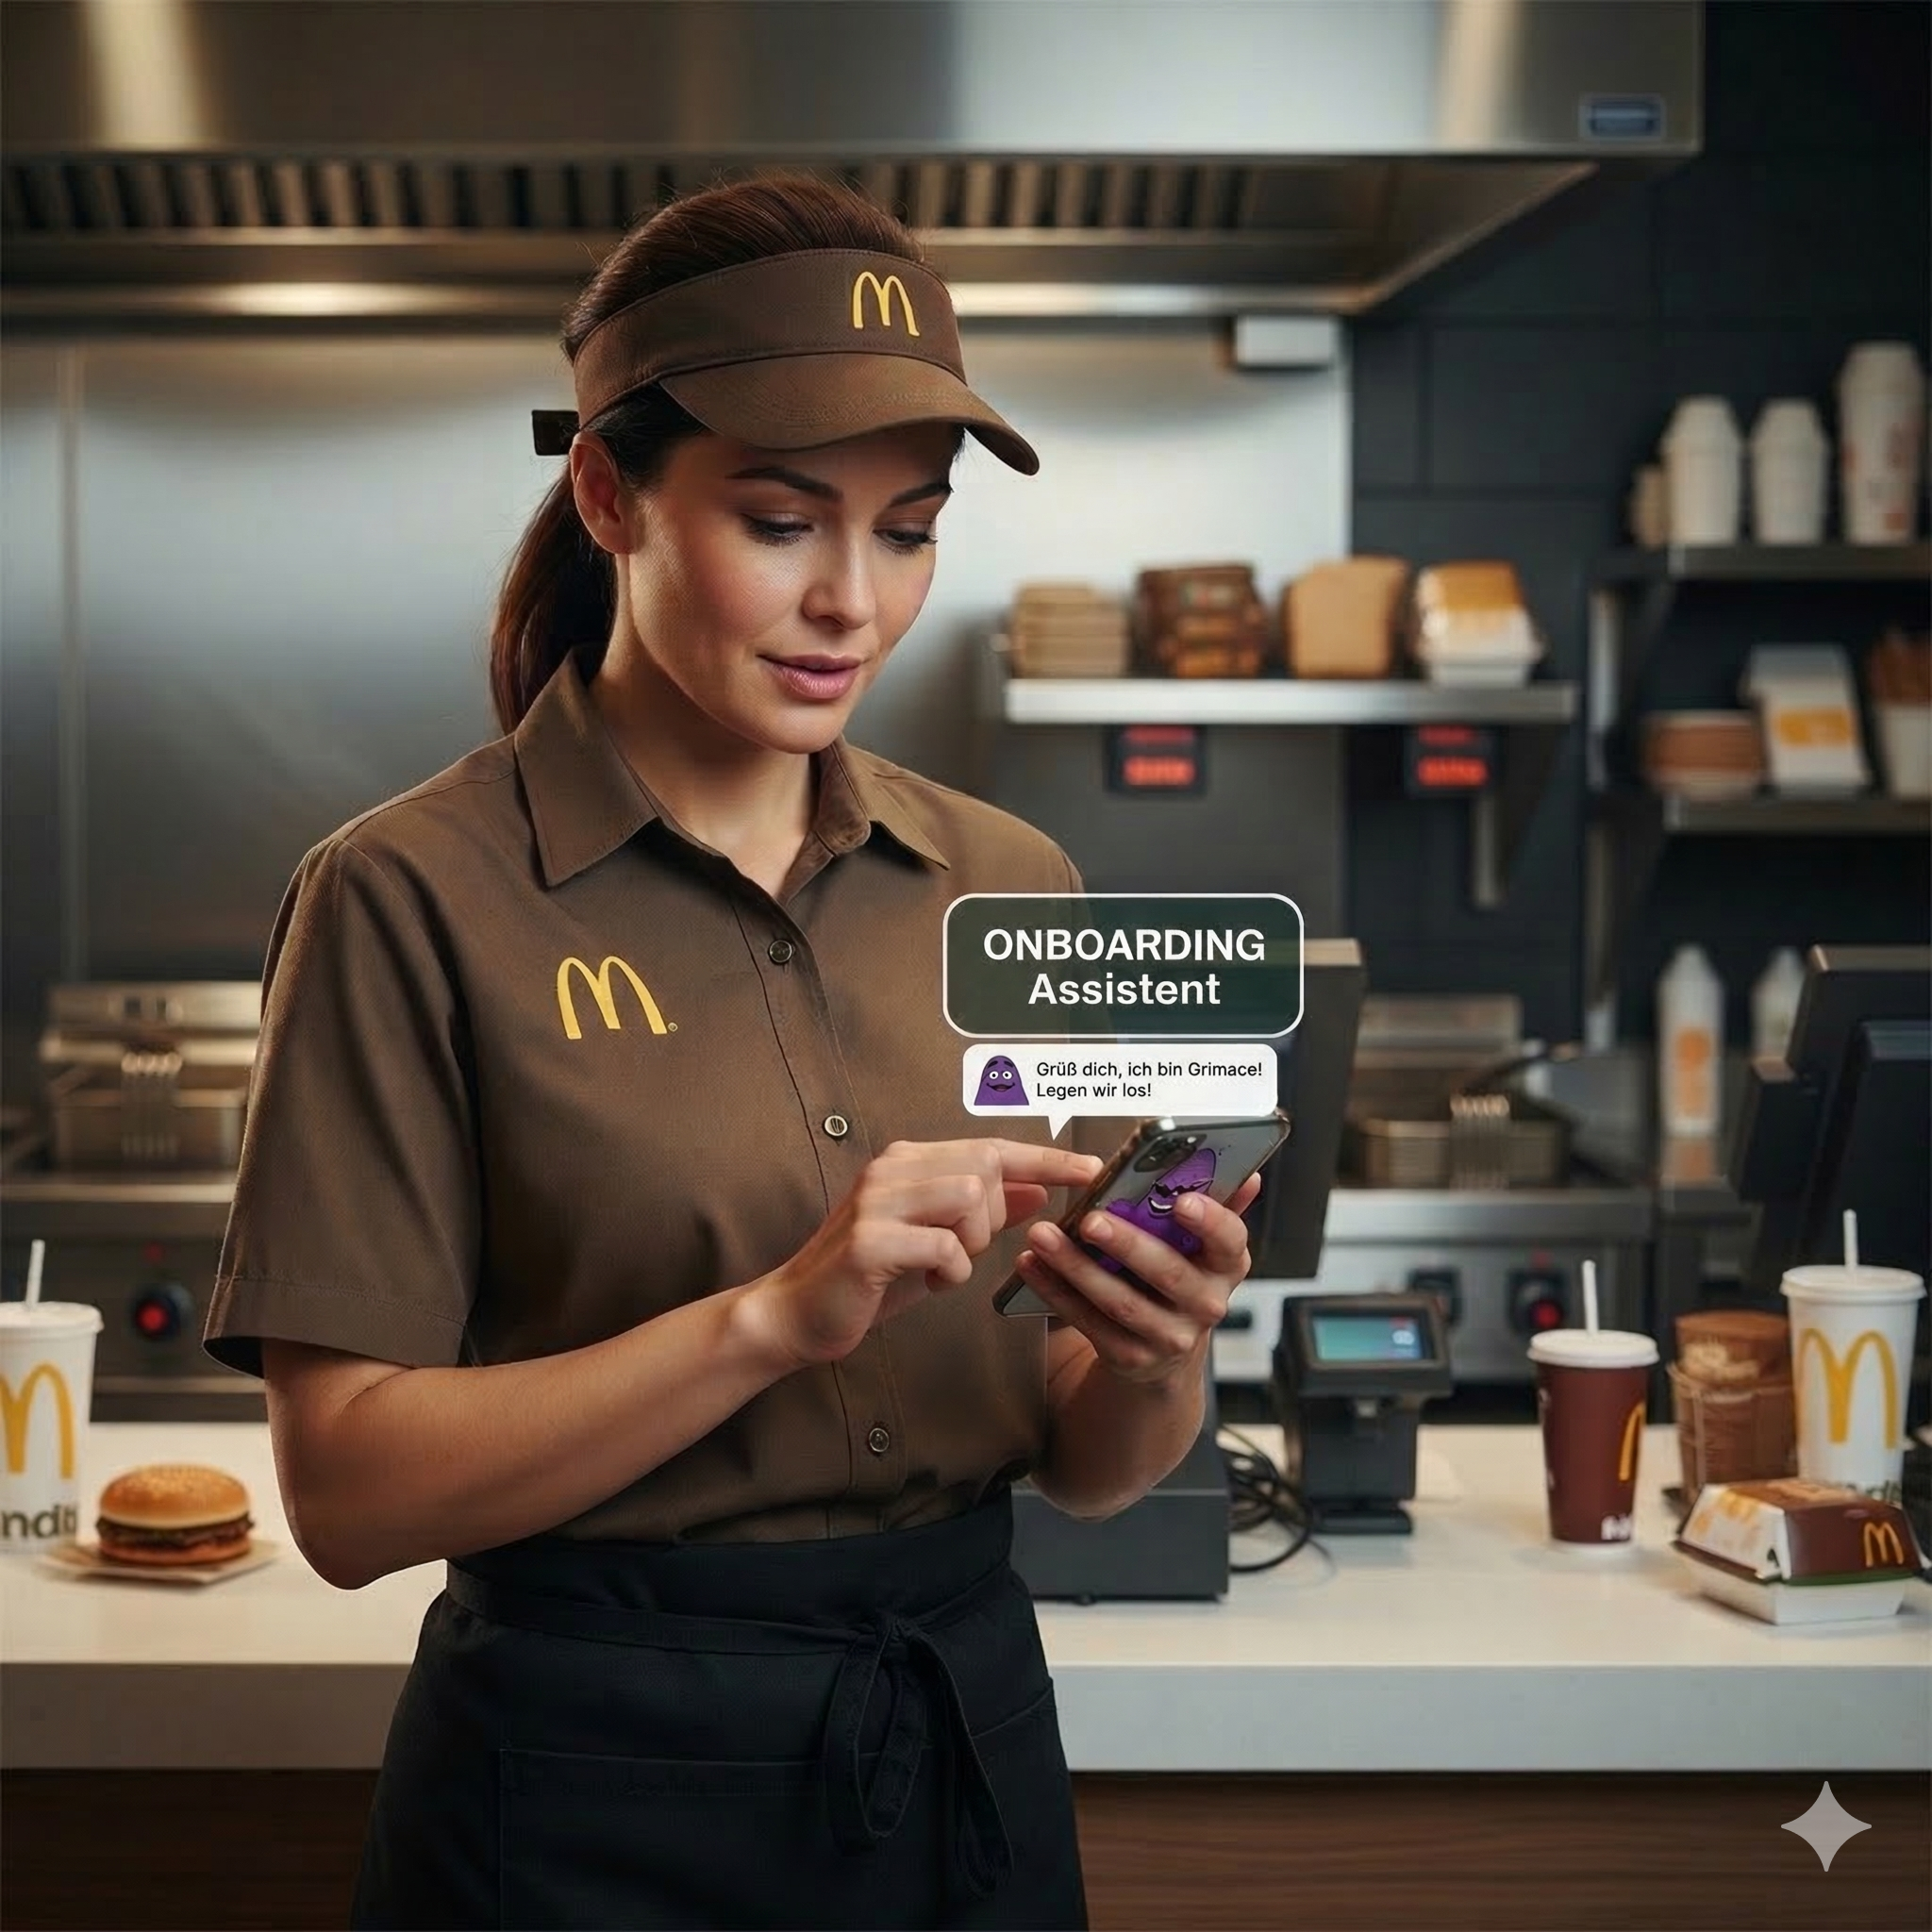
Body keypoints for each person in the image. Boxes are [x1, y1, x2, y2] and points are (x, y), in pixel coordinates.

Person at [203, 174, 1259, 1932]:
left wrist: (1157, 1350)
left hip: (962, 1754)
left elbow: (1089, 1459)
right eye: (782, 522)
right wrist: (776, 1314)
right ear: (608, 493)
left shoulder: (1018, 885)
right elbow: (348, 1491)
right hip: (575, 1800)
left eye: (908, 531)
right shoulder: (403, 899)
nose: (853, 599)